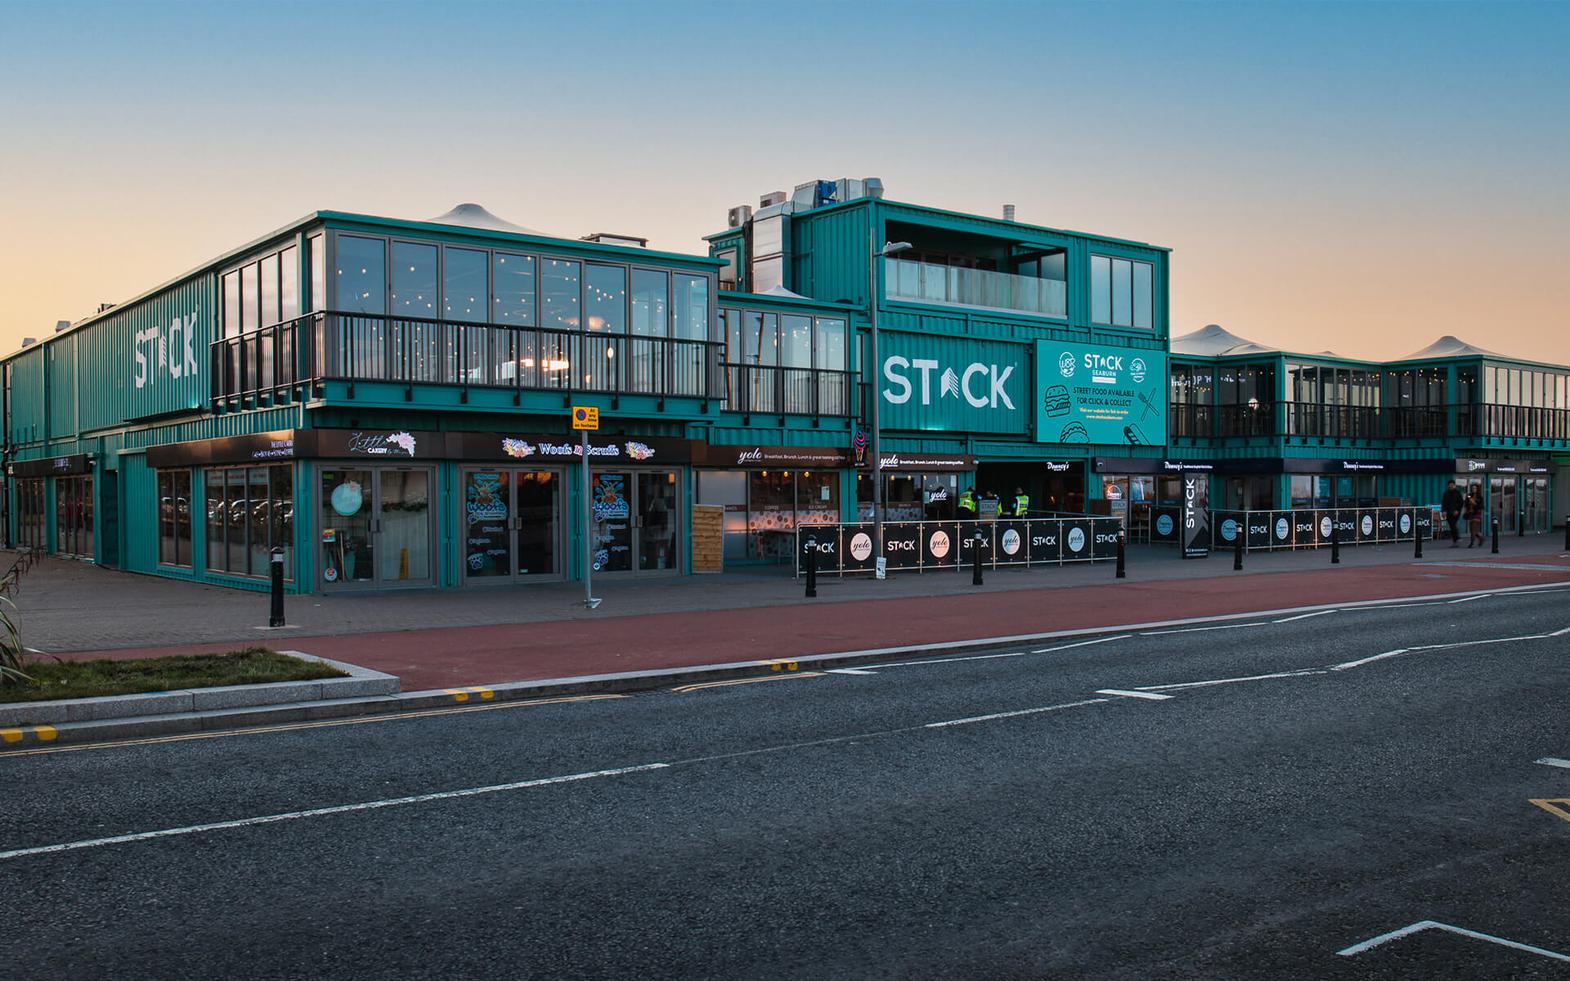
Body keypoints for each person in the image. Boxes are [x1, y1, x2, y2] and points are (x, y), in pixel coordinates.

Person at [1441, 479, 1464, 546]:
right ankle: (1455, 541)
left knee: (1453, 524)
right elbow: (1444, 503)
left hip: (1456, 512)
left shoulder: (1457, 493)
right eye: (1449, 485)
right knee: (1451, 526)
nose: (1451, 486)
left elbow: (1461, 502)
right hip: (1448, 512)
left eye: (1452, 485)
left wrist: (1457, 510)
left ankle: (1457, 538)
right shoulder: (1446, 493)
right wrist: (1443, 511)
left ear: (1454, 485)